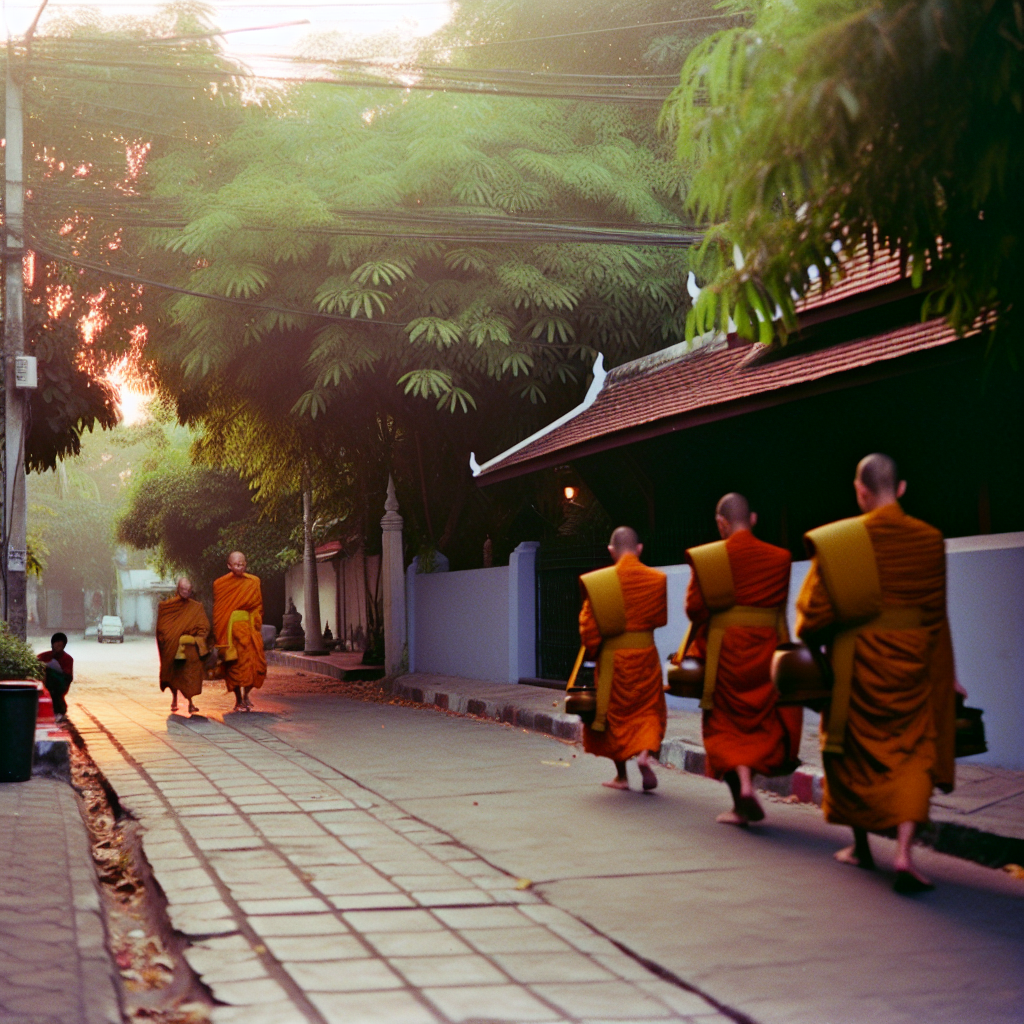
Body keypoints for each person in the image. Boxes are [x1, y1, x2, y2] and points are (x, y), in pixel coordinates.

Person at [796, 453, 958, 893]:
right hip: (915, 665)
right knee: (913, 753)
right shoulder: (929, 539)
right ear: (901, 489)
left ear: (860, 491)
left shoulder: (843, 542)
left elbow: (812, 616)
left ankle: (862, 847)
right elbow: (935, 617)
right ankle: (904, 852)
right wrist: (948, 675)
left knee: (851, 755)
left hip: (857, 666)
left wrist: (816, 643)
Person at [678, 493, 802, 825]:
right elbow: (778, 606)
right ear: (754, 520)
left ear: (721, 524)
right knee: (761, 725)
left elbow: (694, 609)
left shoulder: (710, 559)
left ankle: (741, 795)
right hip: (766, 654)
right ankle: (748, 787)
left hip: (724, 654)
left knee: (725, 726)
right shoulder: (780, 558)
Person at [578, 526, 668, 791]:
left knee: (614, 716)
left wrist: (595, 650)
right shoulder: (656, 579)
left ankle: (622, 777)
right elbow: (659, 619)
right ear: (639, 549)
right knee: (648, 709)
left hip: (613, 661)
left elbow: (589, 628)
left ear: (611, 551)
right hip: (646, 658)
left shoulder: (600, 583)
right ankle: (643, 755)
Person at [213, 551, 266, 711]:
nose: (240, 567)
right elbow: (219, 612)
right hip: (231, 632)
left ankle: (246, 695)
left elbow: (258, 605)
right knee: (234, 666)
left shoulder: (253, 581)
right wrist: (221, 636)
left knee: (256, 664)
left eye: (242, 564)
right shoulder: (220, 584)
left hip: (249, 630)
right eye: (236, 564)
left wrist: (255, 620)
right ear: (229, 565)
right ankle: (238, 699)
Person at [156, 577, 211, 715]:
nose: (186, 592)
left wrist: (196, 638)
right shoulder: (167, 607)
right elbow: (162, 629)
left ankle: (191, 703)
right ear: (177, 590)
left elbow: (204, 627)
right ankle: (174, 698)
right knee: (174, 673)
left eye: (188, 590)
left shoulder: (196, 607)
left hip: (189, 648)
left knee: (189, 676)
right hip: (173, 647)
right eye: (183, 589)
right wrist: (172, 638)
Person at [37, 632, 73, 721]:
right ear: (52, 645)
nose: (58, 648)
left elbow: (68, 676)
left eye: (61, 646)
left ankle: (59, 710)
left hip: (59, 684)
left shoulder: (68, 659)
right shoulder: (44, 656)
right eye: (57, 645)